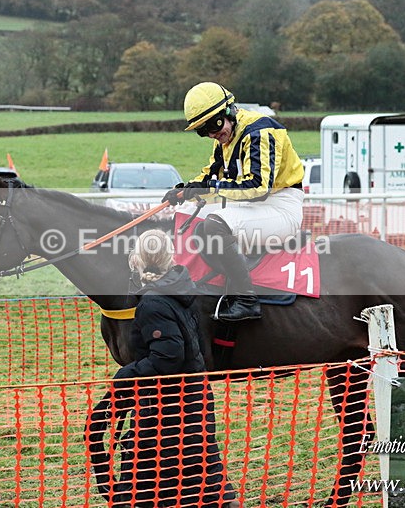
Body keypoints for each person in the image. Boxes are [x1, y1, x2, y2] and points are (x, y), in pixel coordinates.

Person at [91, 229, 239, 508]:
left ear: (136, 260)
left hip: (168, 407)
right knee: (202, 475)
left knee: (142, 473)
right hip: (192, 400)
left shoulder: (153, 304)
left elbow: (169, 355)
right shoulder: (180, 291)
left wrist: (126, 374)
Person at [163, 82, 305, 321]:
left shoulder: (261, 131)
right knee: (193, 217)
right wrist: (185, 190)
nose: (211, 134)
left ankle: (246, 299)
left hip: (280, 206)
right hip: (254, 207)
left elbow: (258, 187)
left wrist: (209, 188)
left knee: (214, 224)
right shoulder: (224, 140)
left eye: (212, 125)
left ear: (228, 111)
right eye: (202, 130)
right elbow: (210, 176)